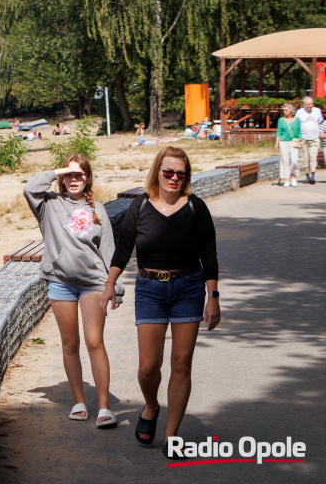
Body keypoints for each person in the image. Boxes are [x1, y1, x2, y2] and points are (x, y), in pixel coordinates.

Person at [101, 146, 220, 458]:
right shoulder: (139, 207)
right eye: (169, 172)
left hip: (189, 288)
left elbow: (209, 253)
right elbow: (123, 248)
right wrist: (110, 283)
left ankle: (171, 436)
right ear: (157, 172)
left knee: (181, 363)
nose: (175, 178)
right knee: (148, 366)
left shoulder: (196, 208)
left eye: (181, 173)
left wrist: (213, 297)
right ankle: (152, 405)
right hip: (150, 289)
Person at [24, 154, 123, 428]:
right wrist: (60, 168)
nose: (74, 179)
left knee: (94, 341)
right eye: (69, 174)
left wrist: (115, 287)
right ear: (62, 178)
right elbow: (29, 188)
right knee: (70, 344)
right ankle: (79, 402)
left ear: (88, 178)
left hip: (93, 283)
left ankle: (104, 406)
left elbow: (108, 251)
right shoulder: (48, 205)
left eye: (79, 174)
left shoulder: (98, 210)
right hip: (60, 283)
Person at [294, 96, 324, 184]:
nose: (310, 106)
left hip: (314, 138)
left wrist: (320, 132)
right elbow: (296, 125)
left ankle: (313, 176)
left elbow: (320, 123)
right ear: (304, 105)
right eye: (308, 104)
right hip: (303, 138)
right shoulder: (299, 112)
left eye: (311, 104)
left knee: (313, 157)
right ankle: (307, 176)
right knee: (304, 158)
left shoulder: (317, 111)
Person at [275, 103, 301, 187]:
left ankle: (293, 177)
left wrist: (300, 141)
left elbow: (299, 131)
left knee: (294, 160)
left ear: (290, 111)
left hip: (294, 141)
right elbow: (279, 132)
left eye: (285, 110)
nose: (284, 111)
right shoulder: (281, 120)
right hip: (283, 142)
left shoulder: (297, 120)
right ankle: (286, 179)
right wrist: (276, 143)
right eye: (283, 110)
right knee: (285, 160)